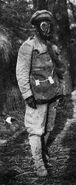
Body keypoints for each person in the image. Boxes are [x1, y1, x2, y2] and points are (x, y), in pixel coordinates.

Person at [16, 10, 71, 177]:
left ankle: (42, 151)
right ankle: (39, 163)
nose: (46, 28)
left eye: (48, 24)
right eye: (43, 25)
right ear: (37, 27)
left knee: (49, 127)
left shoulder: (52, 46)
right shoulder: (28, 47)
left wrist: (61, 90)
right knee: (35, 130)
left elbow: (60, 70)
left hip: (52, 94)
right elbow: (21, 72)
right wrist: (27, 95)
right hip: (36, 97)